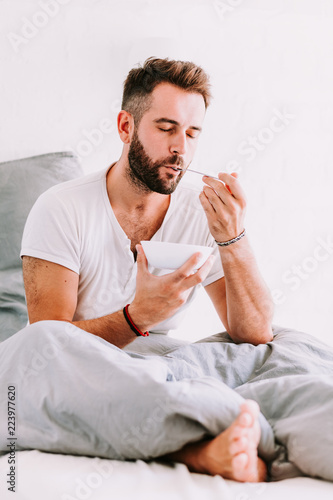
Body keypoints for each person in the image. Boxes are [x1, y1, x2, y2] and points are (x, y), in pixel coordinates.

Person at [20, 57, 274, 481]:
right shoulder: (61, 208)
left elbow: (254, 332)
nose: (182, 149)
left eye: (192, 133)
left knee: (287, 349)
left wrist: (233, 237)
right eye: (166, 128)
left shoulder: (201, 207)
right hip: (84, 371)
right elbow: (47, 345)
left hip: (166, 363)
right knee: (21, 368)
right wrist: (138, 317)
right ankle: (198, 449)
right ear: (126, 127)